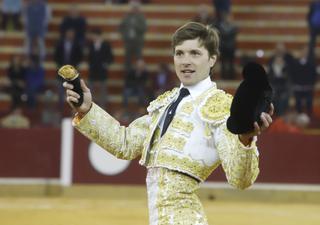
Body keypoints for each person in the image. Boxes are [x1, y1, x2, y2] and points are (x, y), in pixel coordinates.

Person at [63, 22, 273, 225]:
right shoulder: (166, 102)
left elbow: (240, 179)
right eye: (179, 53)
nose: (185, 61)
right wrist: (88, 110)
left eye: (195, 53)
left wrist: (245, 139)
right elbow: (124, 143)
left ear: (212, 59)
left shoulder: (220, 106)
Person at [87, 28, 114, 107]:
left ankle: (103, 108)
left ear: (98, 36)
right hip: (93, 71)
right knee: (90, 90)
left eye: (94, 35)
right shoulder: (91, 45)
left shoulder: (106, 44)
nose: (93, 37)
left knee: (103, 91)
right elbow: (89, 57)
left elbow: (111, 57)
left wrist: (105, 64)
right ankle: (90, 107)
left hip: (102, 71)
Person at [119, 1, 147, 71]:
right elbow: (121, 27)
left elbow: (144, 29)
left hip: (138, 41)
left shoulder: (141, 17)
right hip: (128, 41)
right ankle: (128, 74)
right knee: (127, 59)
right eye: (133, 8)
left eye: (135, 8)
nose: (134, 9)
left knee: (138, 58)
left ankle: (139, 74)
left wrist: (136, 25)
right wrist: (124, 35)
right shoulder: (126, 16)